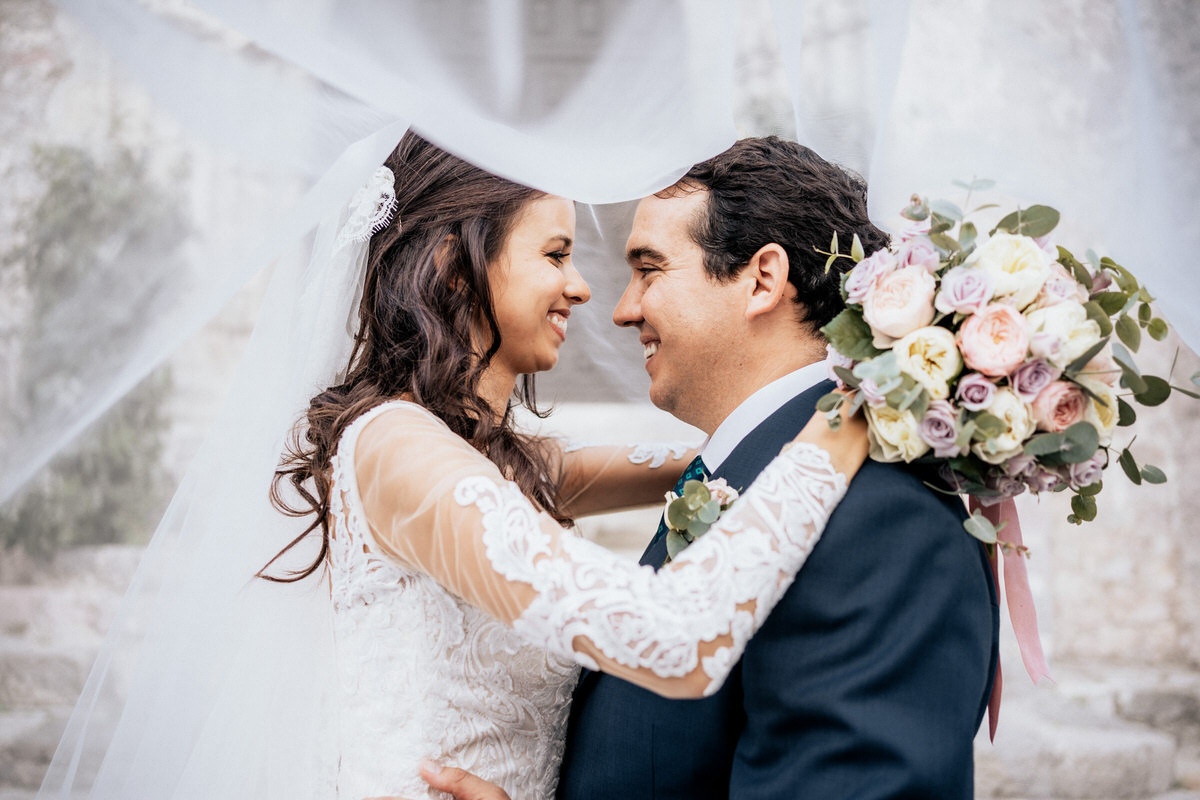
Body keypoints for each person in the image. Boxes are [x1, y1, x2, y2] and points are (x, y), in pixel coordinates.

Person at [256, 131, 871, 799]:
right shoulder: (398, 450)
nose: (583, 289)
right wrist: (848, 420)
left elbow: (708, 461)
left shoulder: (487, 458)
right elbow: (673, 637)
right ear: (454, 266)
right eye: (555, 255)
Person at [406, 137, 999, 800]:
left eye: (650, 269)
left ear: (762, 280)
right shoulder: (764, 472)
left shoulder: (879, 518)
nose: (621, 309)